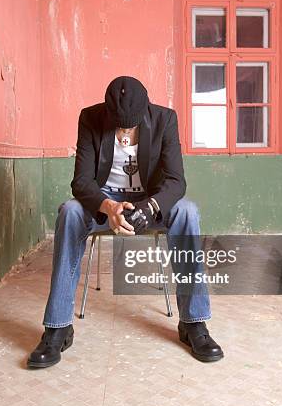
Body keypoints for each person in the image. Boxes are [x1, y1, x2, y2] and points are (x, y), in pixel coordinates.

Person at [27, 76, 224, 368]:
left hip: (149, 200)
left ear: (145, 109)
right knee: (69, 212)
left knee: (188, 212)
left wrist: (151, 205)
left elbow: (175, 181)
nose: (124, 131)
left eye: (130, 125)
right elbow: (81, 182)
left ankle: (194, 323)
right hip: (104, 201)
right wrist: (109, 207)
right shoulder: (90, 118)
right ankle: (58, 328)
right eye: (119, 124)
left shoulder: (165, 119)